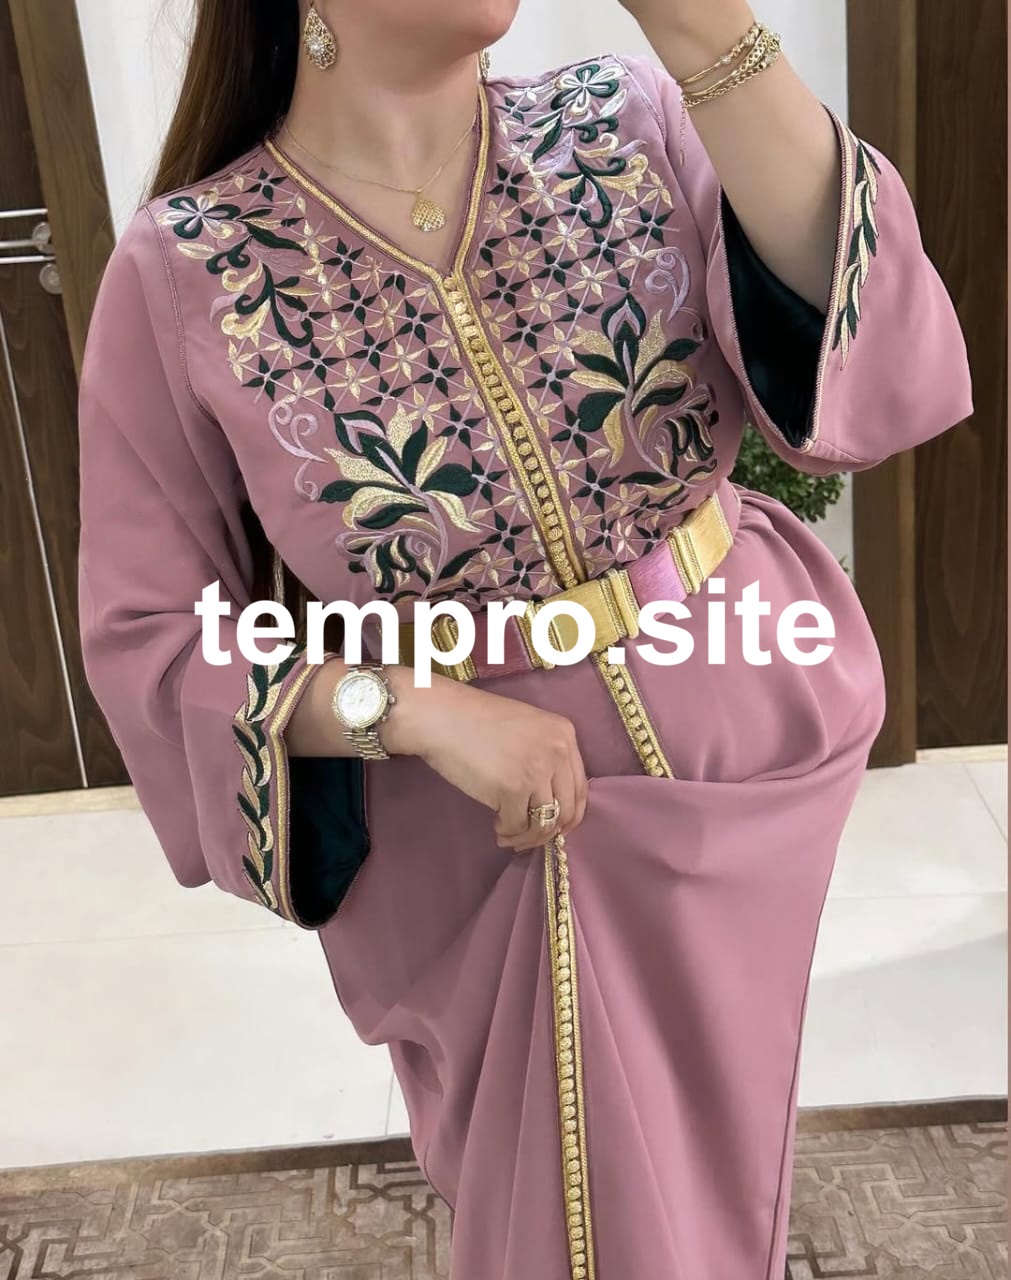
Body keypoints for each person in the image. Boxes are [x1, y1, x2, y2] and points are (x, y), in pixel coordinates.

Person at [76, 1, 973, 1276]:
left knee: (720, 1178)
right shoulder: (192, 267)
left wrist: (702, 25)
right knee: (575, 1228)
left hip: (739, 776)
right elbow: (153, 639)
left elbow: (870, 347)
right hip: (487, 839)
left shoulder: (620, 122)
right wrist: (410, 709)